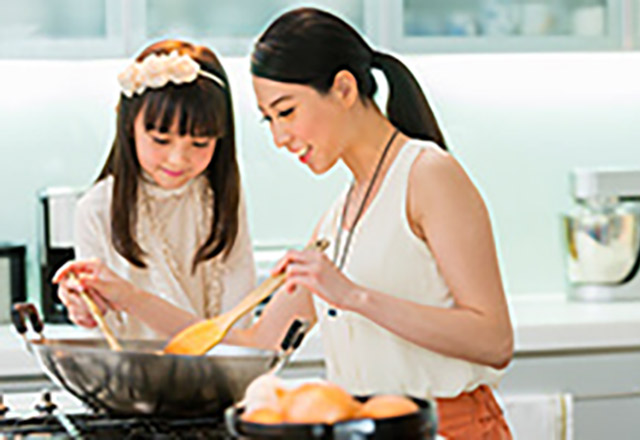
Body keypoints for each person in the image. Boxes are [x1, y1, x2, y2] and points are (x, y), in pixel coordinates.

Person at [55, 9, 513, 438]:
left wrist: (353, 297)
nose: (278, 137)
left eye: (286, 111)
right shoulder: (338, 217)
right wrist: (128, 297)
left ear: (344, 89)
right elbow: (251, 347)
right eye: (269, 119)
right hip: (359, 427)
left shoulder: (427, 173)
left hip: (448, 427)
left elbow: (493, 339)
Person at [56, 40, 256, 339]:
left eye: (200, 143)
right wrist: (85, 309)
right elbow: (102, 327)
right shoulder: (98, 208)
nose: (178, 159)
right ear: (128, 127)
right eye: (161, 140)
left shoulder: (218, 198)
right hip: (133, 380)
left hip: (218, 377)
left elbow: (238, 316)